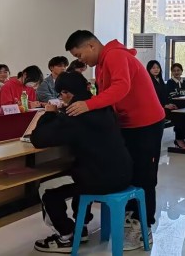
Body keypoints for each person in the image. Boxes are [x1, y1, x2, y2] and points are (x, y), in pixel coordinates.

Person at [64, 30, 165, 250]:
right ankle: (131, 217)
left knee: (145, 176)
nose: (81, 61)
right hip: (127, 124)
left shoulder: (115, 55)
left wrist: (88, 105)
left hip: (146, 123)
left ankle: (144, 226)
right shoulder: (102, 64)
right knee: (129, 172)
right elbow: (109, 96)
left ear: (91, 46)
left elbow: (121, 87)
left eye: (80, 55)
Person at [31, 72, 132, 253]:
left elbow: (38, 139)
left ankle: (66, 236)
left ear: (66, 93)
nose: (61, 98)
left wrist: (49, 114)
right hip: (124, 173)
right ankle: (81, 226)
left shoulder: (74, 116)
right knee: (78, 172)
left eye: (62, 94)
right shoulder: (104, 108)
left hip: (101, 178)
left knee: (45, 187)